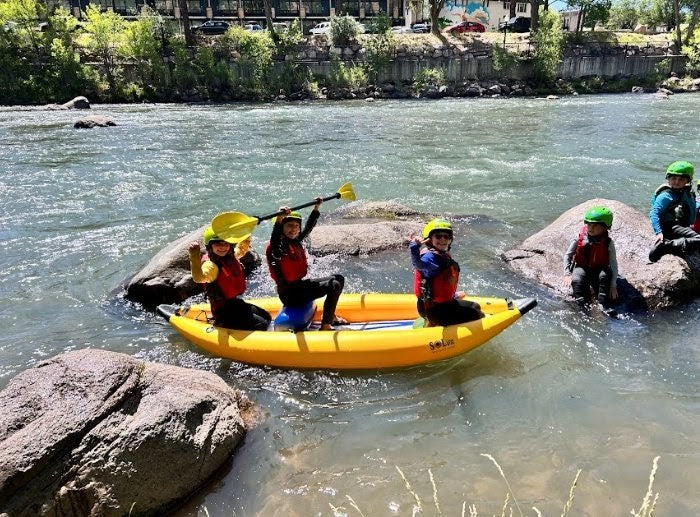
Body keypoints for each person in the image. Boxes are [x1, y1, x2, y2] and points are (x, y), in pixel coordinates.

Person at [265, 198, 345, 331]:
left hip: (299, 286)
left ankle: (331, 316)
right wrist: (279, 218)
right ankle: (325, 326)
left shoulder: (295, 241)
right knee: (334, 285)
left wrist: (316, 208)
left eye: (296, 226)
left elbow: (308, 228)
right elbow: (275, 238)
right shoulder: (277, 248)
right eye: (289, 225)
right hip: (290, 294)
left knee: (338, 278)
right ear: (282, 228)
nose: (294, 229)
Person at [188, 226, 271, 331]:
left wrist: (246, 231)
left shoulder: (231, 255)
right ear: (210, 247)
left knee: (267, 316)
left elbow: (242, 248)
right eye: (218, 244)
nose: (223, 247)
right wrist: (194, 255)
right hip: (222, 312)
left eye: (226, 243)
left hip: (235, 303)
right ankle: (221, 324)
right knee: (261, 324)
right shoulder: (211, 266)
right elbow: (199, 278)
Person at [410, 218, 484, 327]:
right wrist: (414, 247)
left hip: (439, 306)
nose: (443, 239)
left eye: (446, 236)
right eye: (438, 236)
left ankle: (432, 320)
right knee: (477, 313)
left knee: (475, 306)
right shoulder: (429, 258)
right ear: (430, 239)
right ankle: (433, 323)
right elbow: (419, 265)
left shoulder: (441, 255)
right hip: (436, 311)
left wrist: (451, 296)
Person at [563, 206, 618, 311]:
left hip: (600, 269)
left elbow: (613, 263)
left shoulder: (608, 242)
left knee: (605, 277)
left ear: (605, 227)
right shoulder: (580, 237)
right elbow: (567, 255)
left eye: (595, 225)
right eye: (588, 224)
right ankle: (582, 308)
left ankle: (603, 307)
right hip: (582, 268)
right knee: (576, 280)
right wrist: (566, 274)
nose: (590, 228)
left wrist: (613, 285)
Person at [648, 161, 700, 262]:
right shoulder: (666, 195)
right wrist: (658, 232)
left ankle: (677, 244)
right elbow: (654, 214)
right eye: (673, 178)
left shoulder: (687, 193)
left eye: (681, 179)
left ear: (687, 180)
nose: (676, 182)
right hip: (671, 226)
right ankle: (667, 246)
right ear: (668, 178)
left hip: (682, 226)